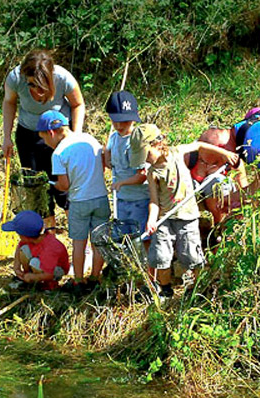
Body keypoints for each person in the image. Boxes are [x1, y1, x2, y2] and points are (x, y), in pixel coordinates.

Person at [130, 124, 238, 298]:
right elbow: (154, 201)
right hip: (164, 219)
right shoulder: (152, 173)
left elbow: (200, 145)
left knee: (192, 255)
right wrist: (151, 220)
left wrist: (224, 154)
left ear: (158, 144)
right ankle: (165, 290)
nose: (146, 160)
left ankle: (199, 287)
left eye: (146, 154)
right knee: (161, 256)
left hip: (188, 217)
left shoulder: (177, 153)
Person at [2, 49, 86, 228]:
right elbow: (9, 102)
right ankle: (48, 239)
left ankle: (79, 239)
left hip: (58, 137)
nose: (38, 92)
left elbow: (78, 104)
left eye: (42, 86)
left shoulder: (63, 78)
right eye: (32, 85)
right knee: (36, 188)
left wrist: (75, 137)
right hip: (28, 136)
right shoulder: (15, 78)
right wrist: (6, 137)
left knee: (65, 187)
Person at [37, 110, 109, 289]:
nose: (47, 144)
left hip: (79, 202)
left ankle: (78, 280)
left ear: (51, 132)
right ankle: (95, 277)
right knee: (99, 241)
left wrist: (52, 184)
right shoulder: (89, 139)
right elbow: (102, 167)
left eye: (45, 139)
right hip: (101, 198)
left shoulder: (59, 153)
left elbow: (65, 185)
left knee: (79, 243)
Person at [104, 90, 150, 236]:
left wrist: (121, 183)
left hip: (139, 200)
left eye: (124, 121)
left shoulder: (136, 141)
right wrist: (106, 156)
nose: (119, 125)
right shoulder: (113, 137)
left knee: (140, 236)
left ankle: (143, 259)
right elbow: (108, 150)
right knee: (122, 236)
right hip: (121, 199)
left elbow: (142, 176)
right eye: (115, 121)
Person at [184, 127, 248, 224]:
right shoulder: (189, 156)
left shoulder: (231, 160)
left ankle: (221, 226)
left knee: (215, 182)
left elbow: (244, 190)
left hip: (224, 199)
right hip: (195, 199)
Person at [2, 210, 70, 289]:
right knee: (24, 250)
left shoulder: (50, 248)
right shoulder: (32, 238)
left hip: (54, 270)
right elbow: (19, 247)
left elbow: (49, 274)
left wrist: (33, 276)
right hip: (41, 263)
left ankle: (48, 285)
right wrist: (16, 266)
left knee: (34, 263)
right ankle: (28, 278)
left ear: (25, 236)